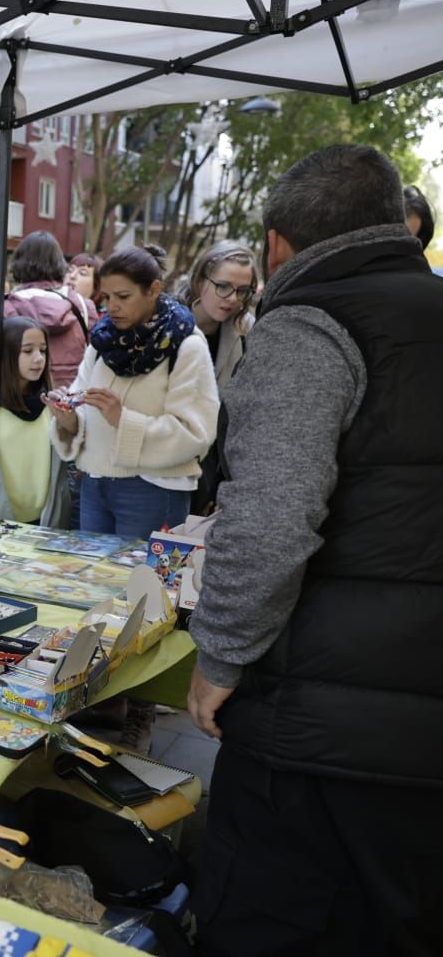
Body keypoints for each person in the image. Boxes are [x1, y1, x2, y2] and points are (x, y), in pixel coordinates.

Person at [186, 145, 443, 955]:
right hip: (414, 727)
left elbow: (269, 520)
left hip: (316, 724)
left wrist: (218, 659)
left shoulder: (309, 326)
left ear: (276, 246)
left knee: (270, 918)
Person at [48, 244, 218, 540]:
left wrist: (122, 419)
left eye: (123, 296)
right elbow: (82, 400)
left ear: (153, 290)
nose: (112, 307)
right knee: (94, 584)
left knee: (145, 586)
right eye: (107, 297)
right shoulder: (102, 341)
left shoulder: (187, 344)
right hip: (94, 485)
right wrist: (68, 419)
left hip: (155, 489)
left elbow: (197, 432)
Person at [0, 316, 72, 526]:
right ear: (5, 353)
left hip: (47, 524)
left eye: (42, 350)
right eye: (27, 351)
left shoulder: (52, 406)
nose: (38, 359)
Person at [175, 241, 258, 515]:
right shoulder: (169, 324)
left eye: (242, 291)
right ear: (200, 281)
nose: (233, 298)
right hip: (168, 458)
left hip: (214, 465)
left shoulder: (246, 331)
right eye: (223, 286)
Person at [3, 231, 98, 388]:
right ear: (59, 263)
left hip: (21, 400)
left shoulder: (9, 305)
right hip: (71, 400)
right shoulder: (83, 305)